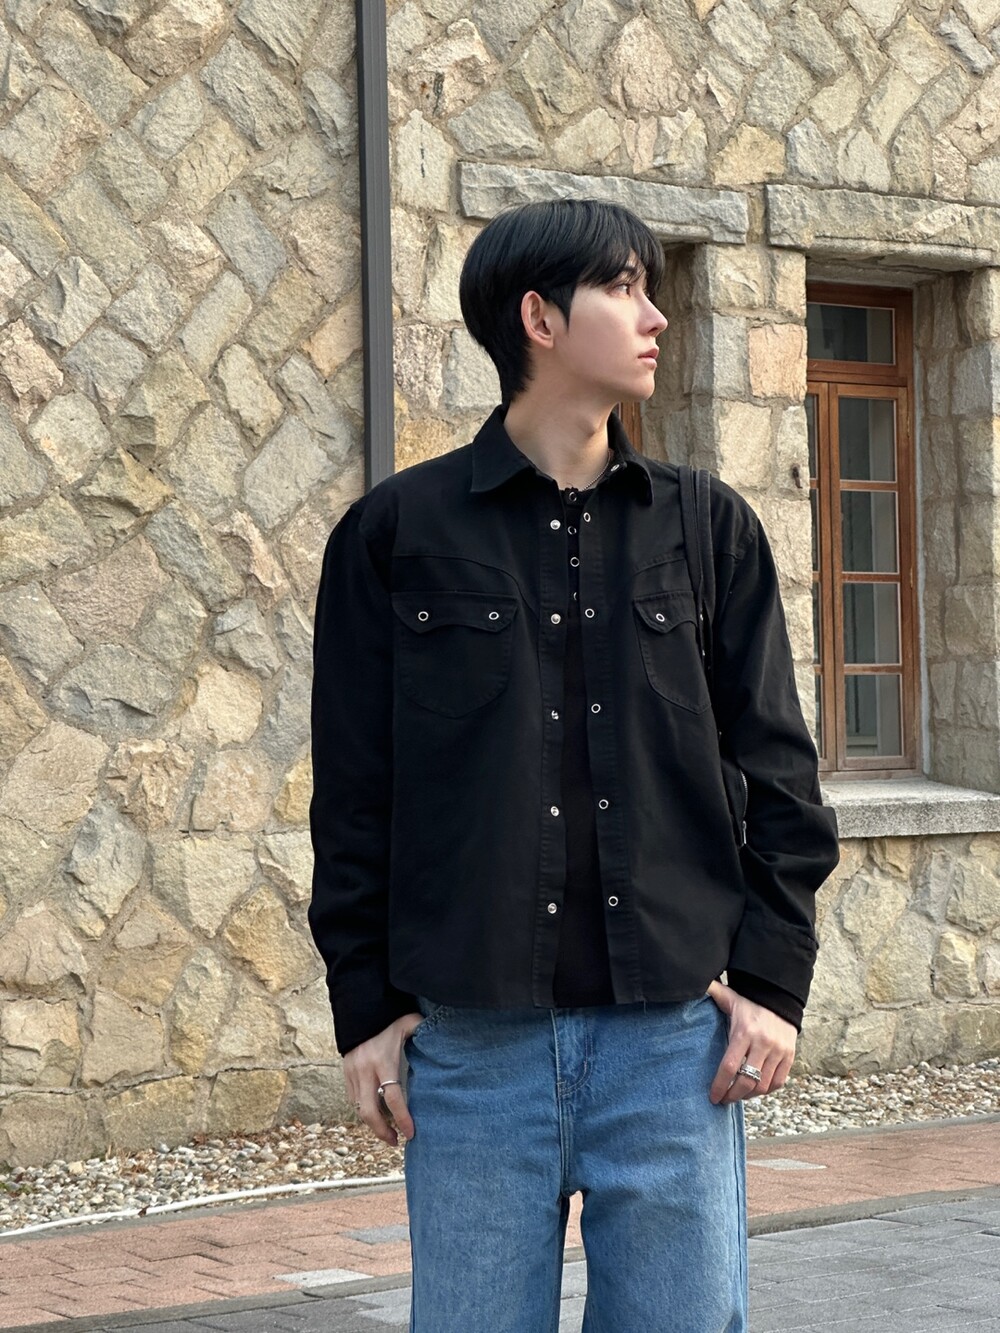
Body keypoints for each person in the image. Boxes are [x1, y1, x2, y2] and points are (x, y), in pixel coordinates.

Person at [308, 198, 841, 1332]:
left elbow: (784, 783)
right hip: (473, 1054)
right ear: (539, 318)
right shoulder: (393, 536)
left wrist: (771, 983)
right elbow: (354, 794)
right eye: (625, 288)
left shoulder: (709, 531)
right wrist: (366, 1006)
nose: (656, 318)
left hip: (672, 1054)